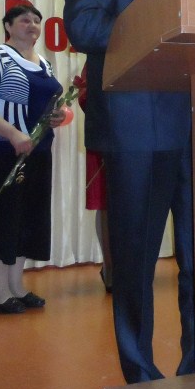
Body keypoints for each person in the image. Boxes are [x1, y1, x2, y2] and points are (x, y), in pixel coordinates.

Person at [63, 0, 195, 383]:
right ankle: (140, 373)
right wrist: (159, 27)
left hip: (194, 123)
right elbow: (84, 27)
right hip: (135, 125)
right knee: (136, 260)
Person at [0, 4, 65, 314]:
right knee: (2, 221)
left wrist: (57, 116)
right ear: (8, 26)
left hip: (37, 153)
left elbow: (46, 105)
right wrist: (12, 134)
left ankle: (17, 287)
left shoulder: (44, 63)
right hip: (0, 152)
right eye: (24, 20)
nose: (32, 25)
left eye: (37, 21)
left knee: (26, 220)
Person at [77, 63, 112, 294]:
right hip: (105, 135)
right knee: (106, 203)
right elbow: (85, 96)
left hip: (142, 137)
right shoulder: (98, 54)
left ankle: (133, 268)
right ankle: (110, 268)